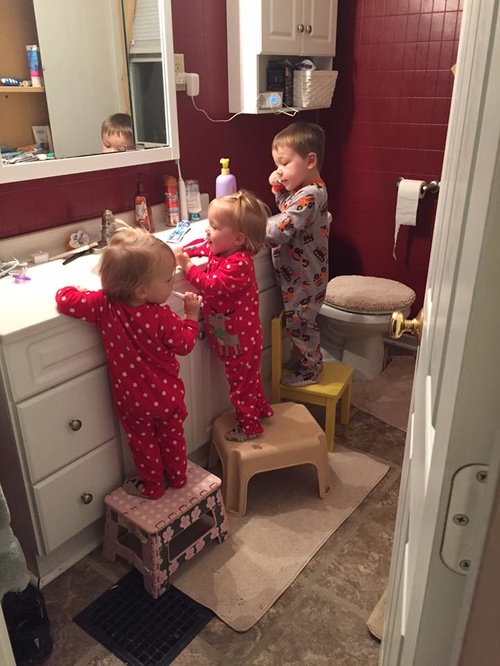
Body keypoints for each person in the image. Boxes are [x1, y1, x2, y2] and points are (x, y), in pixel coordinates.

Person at [55, 227, 202, 500]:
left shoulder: (102, 305)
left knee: (143, 443)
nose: (173, 283)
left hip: (133, 401)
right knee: (172, 437)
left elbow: (65, 300)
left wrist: (74, 289)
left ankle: (152, 486)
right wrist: (191, 317)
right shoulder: (162, 317)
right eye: (168, 280)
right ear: (142, 290)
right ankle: (178, 477)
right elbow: (185, 345)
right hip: (167, 396)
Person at [174, 190, 274, 443]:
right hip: (231, 338)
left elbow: (211, 285)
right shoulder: (222, 250)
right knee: (250, 379)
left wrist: (186, 265)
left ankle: (250, 426)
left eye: (215, 227)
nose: (207, 231)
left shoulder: (240, 264)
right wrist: (186, 251)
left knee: (241, 386)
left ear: (238, 238)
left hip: (240, 341)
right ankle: (261, 410)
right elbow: (202, 246)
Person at [266, 121, 330, 387]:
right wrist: (279, 188)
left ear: (310, 161)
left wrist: (249, 227)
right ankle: (308, 362)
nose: (278, 171)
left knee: (302, 325)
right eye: (277, 165)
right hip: (302, 274)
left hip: (304, 277)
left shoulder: (310, 195)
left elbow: (280, 231)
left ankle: (311, 371)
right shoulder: (305, 192)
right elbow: (287, 208)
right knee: (301, 323)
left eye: (284, 163)